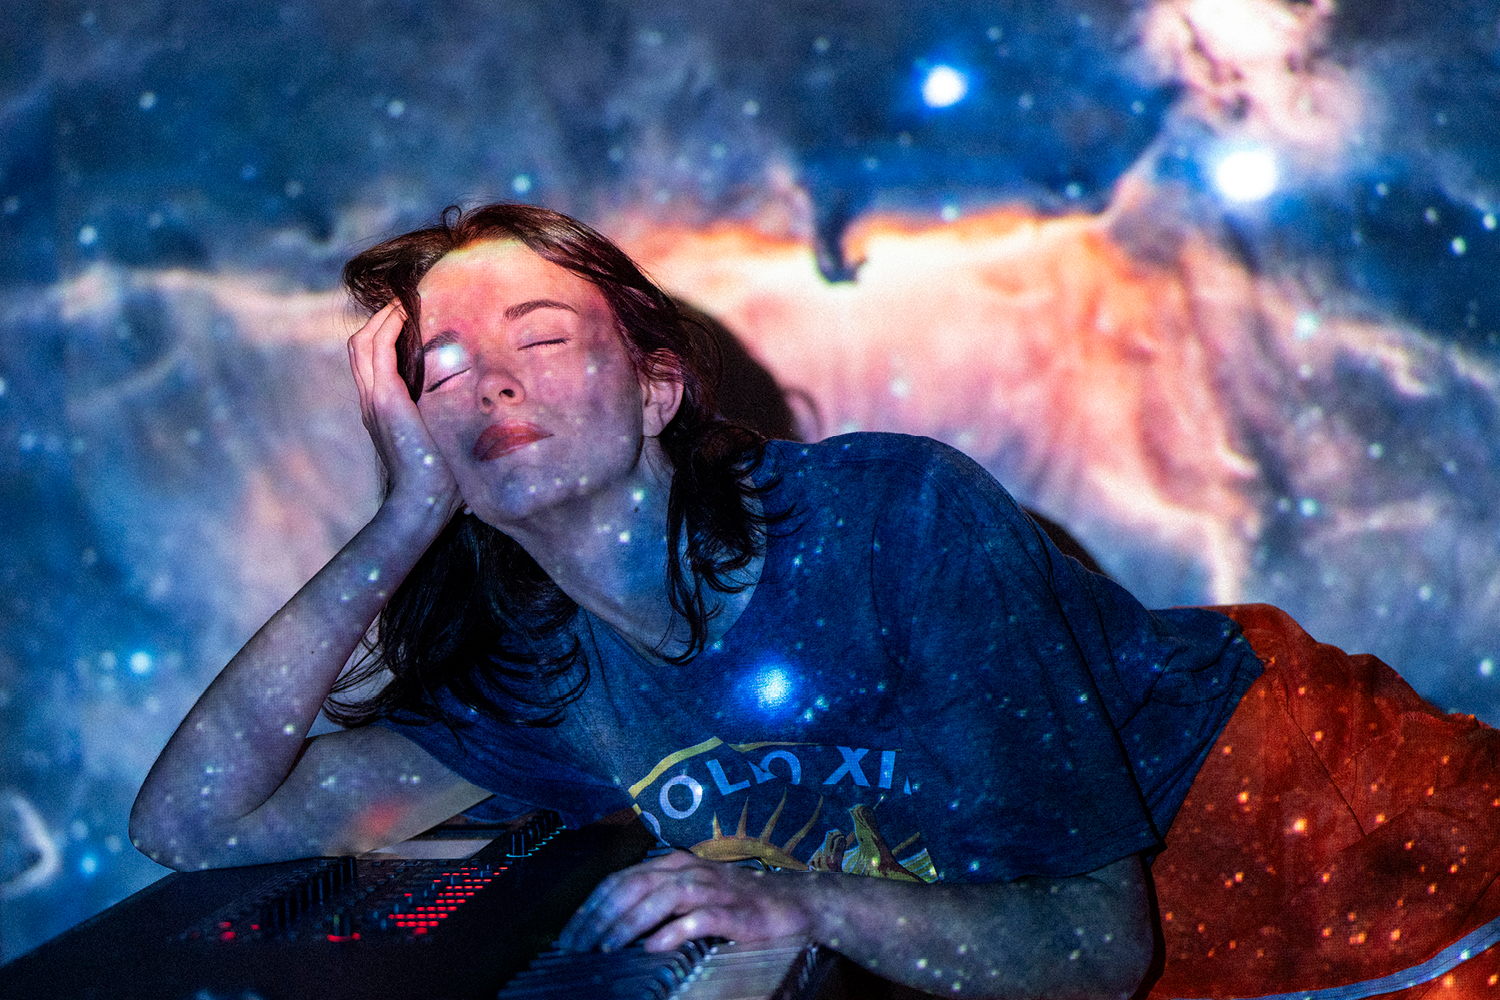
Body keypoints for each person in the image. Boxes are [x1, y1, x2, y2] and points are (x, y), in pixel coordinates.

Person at [129, 203, 1282, 1000]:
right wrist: (404, 517)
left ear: (656, 391)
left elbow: (1092, 947)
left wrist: (809, 905)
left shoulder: (896, 518)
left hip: (1293, 842)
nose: (491, 381)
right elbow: (192, 826)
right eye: (440, 369)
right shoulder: (545, 684)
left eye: (541, 335)